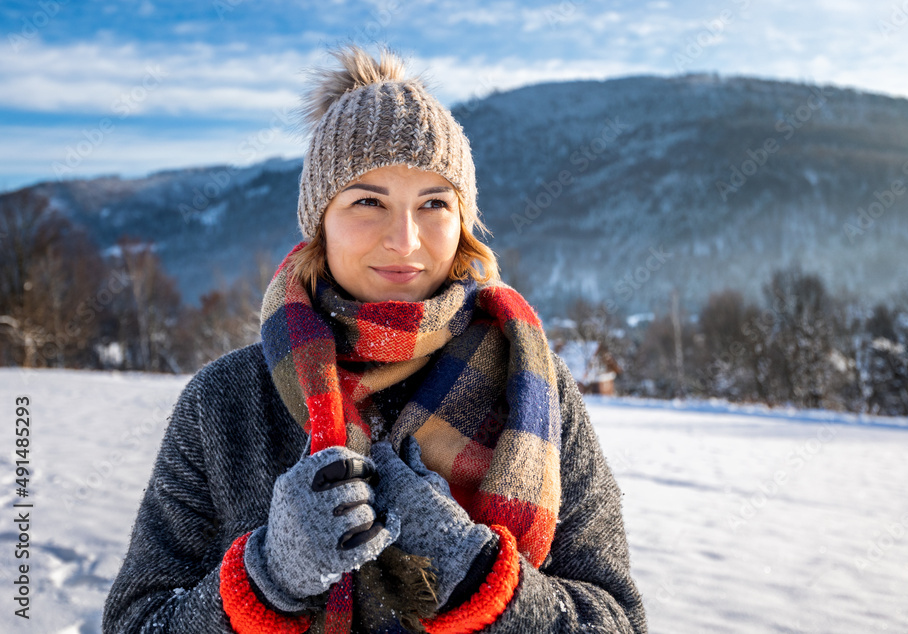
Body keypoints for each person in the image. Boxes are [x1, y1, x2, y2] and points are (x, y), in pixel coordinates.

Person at [102, 43, 647, 634]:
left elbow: (616, 620)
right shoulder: (226, 400)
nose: (405, 240)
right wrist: (265, 578)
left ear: (463, 225)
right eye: (368, 201)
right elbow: (138, 620)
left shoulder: (535, 387)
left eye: (434, 203)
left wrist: (480, 578)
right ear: (320, 223)